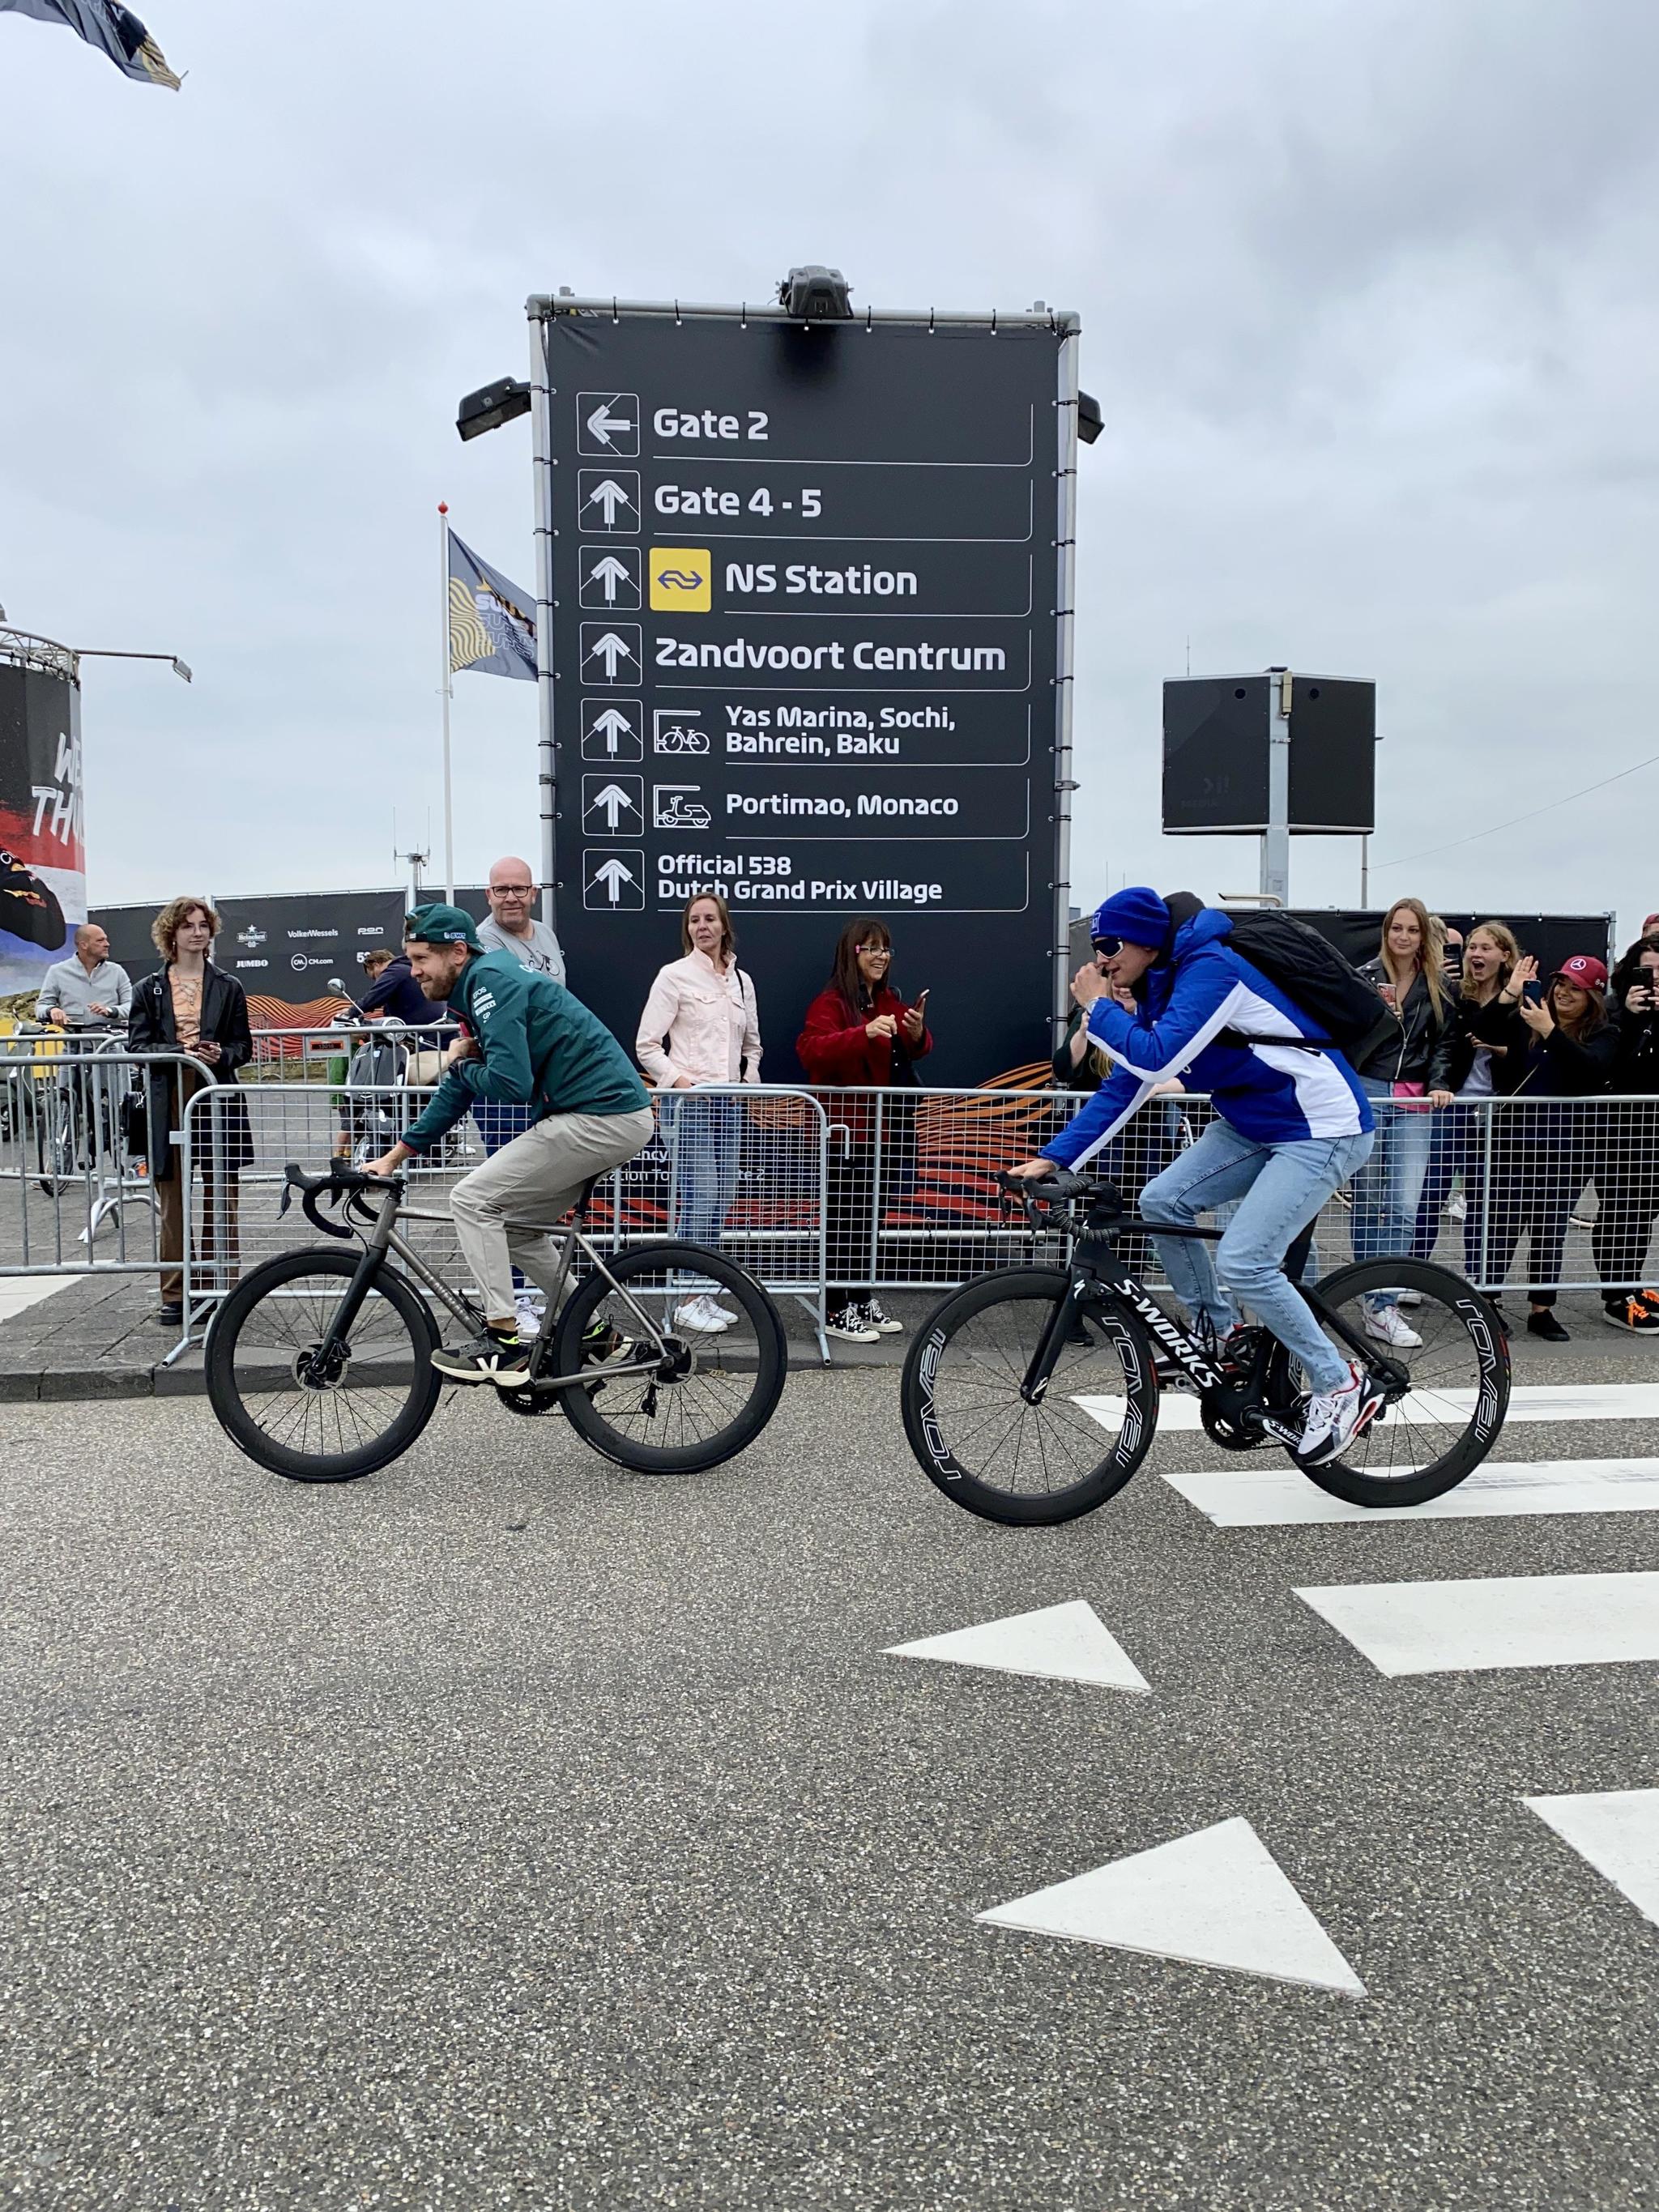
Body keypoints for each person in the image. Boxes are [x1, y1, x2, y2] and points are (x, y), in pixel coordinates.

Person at [1008, 887, 1378, 1467]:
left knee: (1245, 1260)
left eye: (1108, 944)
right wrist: (1056, 1156)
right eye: (1096, 946)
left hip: (1321, 1125)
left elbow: (1154, 1058)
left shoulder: (1210, 968)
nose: (1101, 959)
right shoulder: (1162, 983)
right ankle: (1222, 1335)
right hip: (1256, 1121)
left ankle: (1339, 1382)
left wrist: (1096, 1007)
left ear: (1147, 941)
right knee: (1162, 1200)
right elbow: (1129, 1082)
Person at [362, 905, 654, 1384]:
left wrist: (457, 1061)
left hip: (601, 1116)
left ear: (457, 952)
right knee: (517, 1229)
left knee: (472, 1200)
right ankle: (594, 1331)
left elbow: (511, 1083)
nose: (412, 973)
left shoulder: (490, 984)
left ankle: (504, 1340)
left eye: (419, 960)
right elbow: (460, 1088)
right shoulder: (476, 987)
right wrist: (394, 1158)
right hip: (601, 1116)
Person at [796, 918, 932, 1344]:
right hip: (845, 1134)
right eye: (871, 948)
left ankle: (860, 1299)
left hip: (886, 1132)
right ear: (852, 953)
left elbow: (909, 1052)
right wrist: (862, 1032)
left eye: (886, 949)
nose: (880, 956)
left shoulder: (889, 999)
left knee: (867, 1220)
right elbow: (810, 1050)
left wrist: (917, 1033)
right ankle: (835, 1308)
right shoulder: (832, 1001)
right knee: (843, 1222)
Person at [1466, 953, 1614, 1340]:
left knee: (1550, 1231)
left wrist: (1552, 1032)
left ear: (1593, 996)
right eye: (1561, 984)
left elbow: (1591, 1071)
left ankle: (1541, 1309)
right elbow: (1481, 1027)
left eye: (1576, 988)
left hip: (1567, 1149)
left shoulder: (1603, 1033)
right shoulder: (1527, 1018)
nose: (1564, 993)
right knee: (1498, 1227)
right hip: (1512, 1143)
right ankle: (1488, 1301)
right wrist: (1511, 991)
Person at [635, 892, 762, 1336]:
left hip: (729, 1106)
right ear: (687, 929)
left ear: (724, 926)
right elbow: (647, 1045)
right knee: (699, 1194)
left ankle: (703, 1289)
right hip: (690, 1106)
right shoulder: (674, 977)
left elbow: (753, 1046)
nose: (702, 927)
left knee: (722, 1195)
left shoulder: (741, 982)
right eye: (694, 921)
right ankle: (686, 1295)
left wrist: (749, 1081)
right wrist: (683, 1083)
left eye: (710, 919)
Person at [127, 897, 254, 1327]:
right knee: (173, 1199)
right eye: (188, 926)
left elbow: (244, 1047)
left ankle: (221, 1287)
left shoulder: (229, 985)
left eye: (203, 925)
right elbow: (138, 1047)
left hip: (217, 1091)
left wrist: (221, 1054)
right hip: (168, 1095)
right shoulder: (149, 988)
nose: (197, 932)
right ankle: (177, 1292)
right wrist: (179, 1051)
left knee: (221, 1195)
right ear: (172, 934)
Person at [1346, 898, 1456, 1348]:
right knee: (1369, 1200)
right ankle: (1366, 1293)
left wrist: (1440, 1081)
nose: (1404, 937)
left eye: (1412, 930)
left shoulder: (1438, 984)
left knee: (1405, 1202)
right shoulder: (1365, 977)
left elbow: (1444, 1043)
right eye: (1397, 928)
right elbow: (1348, 1037)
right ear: (1387, 932)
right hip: (1369, 1089)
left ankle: (1383, 1302)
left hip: (1414, 1097)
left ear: (1423, 936)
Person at [1412, 919, 1520, 1279]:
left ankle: (1478, 1277)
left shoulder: (1521, 997)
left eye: (1485, 948)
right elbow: (1446, 1044)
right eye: (1472, 946)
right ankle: (1413, 1273)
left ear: (1505, 956)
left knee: (1484, 1200)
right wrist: (1438, 1085)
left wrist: (1502, 1050)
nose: (1475, 954)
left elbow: (1527, 1053)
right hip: (1453, 1105)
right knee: (1431, 1193)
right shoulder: (1455, 993)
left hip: (1498, 1112)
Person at [1593, 932, 1659, 1332]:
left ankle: (1631, 1285)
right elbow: (1610, 1066)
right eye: (1647, 971)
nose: (1654, 980)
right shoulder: (1614, 1010)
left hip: (1656, 1127)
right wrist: (1632, 1018)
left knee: (1646, 1211)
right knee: (1620, 1210)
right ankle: (1614, 1296)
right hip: (1619, 1127)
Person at [477, 856, 565, 982]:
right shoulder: (484, 941)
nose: (511, 898)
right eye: (501, 890)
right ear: (489, 896)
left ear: (533, 894)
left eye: (519, 889)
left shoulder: (546, 933)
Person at [36, 923, 132, 1031]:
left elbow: (132, 1007)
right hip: (74, 1046)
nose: (107, 944)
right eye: (100, 941)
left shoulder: (117, 971)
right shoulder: (57, 971)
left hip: (111, 1045)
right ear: (83, 945)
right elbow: (41, 1008)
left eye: (106, 940)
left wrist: (110, 1011)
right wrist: (52, 1010)